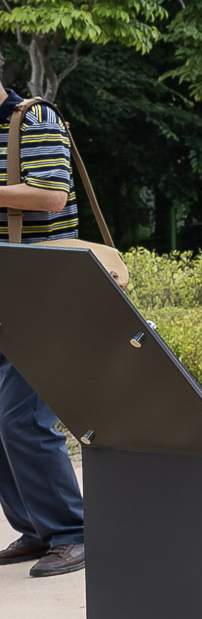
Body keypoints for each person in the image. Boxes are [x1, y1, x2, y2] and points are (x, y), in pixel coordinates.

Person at [0, 78, 86, 579]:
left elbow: (51, 196)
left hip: (43, 287)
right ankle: (36, 527)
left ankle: (72, 531)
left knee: (22, 418)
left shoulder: (33, 119)